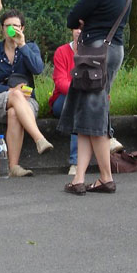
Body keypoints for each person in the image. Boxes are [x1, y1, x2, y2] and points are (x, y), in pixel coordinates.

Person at [58, 0, 132, 194]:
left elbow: (72, 18)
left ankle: (104, 177)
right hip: (113, 51)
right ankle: (80, 178)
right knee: (88, 112)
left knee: (94, 114)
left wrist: (84, 20)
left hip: (94, 55)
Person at [0, 9, 53, 176]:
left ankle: (13, 167)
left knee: (14, 113)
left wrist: (22, 45)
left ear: (23, 28)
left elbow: (38, 69)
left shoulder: (30, 47)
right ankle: (39, 138)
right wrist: (11, 90)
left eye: (16, 26)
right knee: (15, 95)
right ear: (2, 29)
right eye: (7, 26)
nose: (11, 30)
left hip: (28, 104)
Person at [50, 27, 80, 175]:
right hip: (62, 100)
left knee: (83, 106)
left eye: (84, 28)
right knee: (76, 104)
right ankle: (75, 162)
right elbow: (60, 82)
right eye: (76, 28)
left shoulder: (95, 52)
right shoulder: (62, 51)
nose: (79, 31)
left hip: (85, 101)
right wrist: (80, 91)